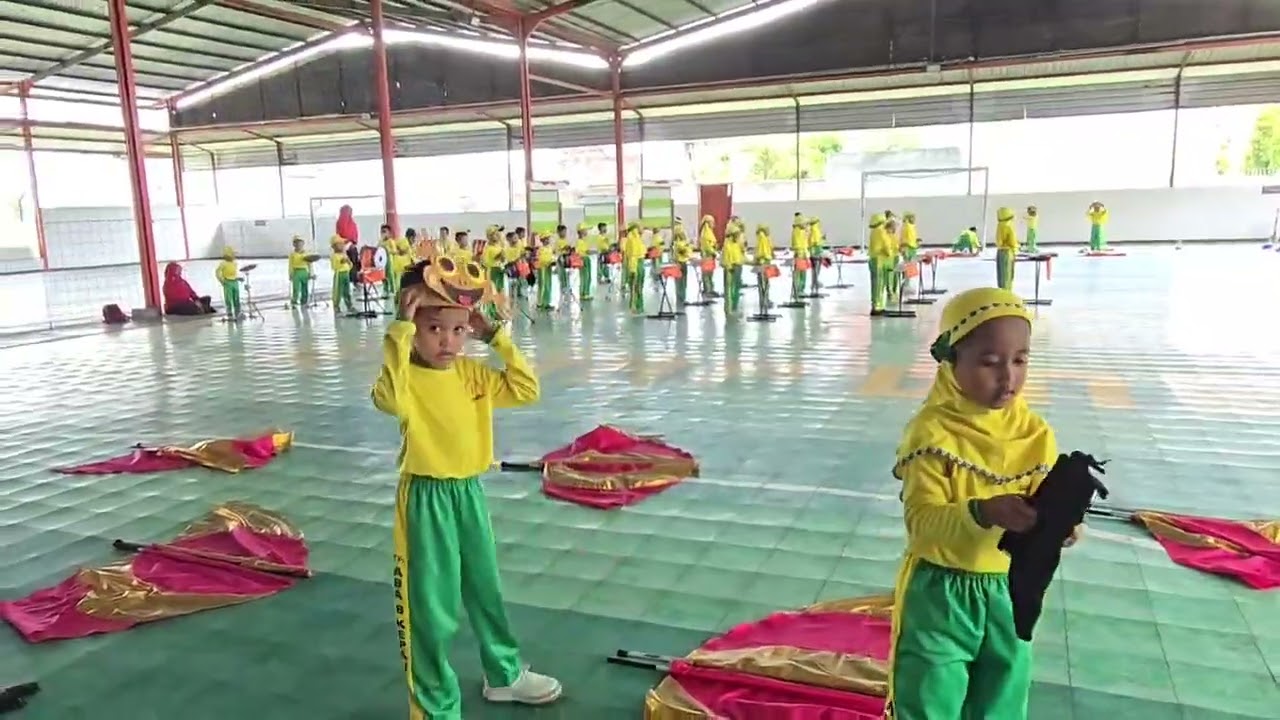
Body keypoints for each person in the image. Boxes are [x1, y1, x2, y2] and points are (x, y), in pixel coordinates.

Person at [371, 262, 560, 719]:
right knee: (432, 611)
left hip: (468, 493)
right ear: (412, 326)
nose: (447, 341)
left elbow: (526, 388)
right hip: (424, 499)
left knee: (484, 589)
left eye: (457, 329)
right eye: (433, 327)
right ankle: (436, 707)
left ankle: (504, 674)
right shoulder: (403, 378)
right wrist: (397, 332)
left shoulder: (472, 376)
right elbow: (390, 400)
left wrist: (495, 337)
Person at [887, 287, 1079, 720]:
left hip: (1012, 589)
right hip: (940, 593)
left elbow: (1044, 505)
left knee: (1003, 700)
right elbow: (923, 524)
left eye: (1020, 360)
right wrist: (983, 511)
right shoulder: (932, 433)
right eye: (989, 363)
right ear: (952, 361)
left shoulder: (1034, 433)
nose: (1007, 378)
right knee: (928, 699)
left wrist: (1062, 525)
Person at [995, 207, 1018, 290]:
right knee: (1008, 277)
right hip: (1008, 253)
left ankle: (1002, 296)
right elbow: (1013, 241)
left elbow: (998, 241)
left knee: (1001, 277)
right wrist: (1016, 249)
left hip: (1000, 252)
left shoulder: (999, 225)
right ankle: (1008, 297)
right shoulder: (1009, 226)